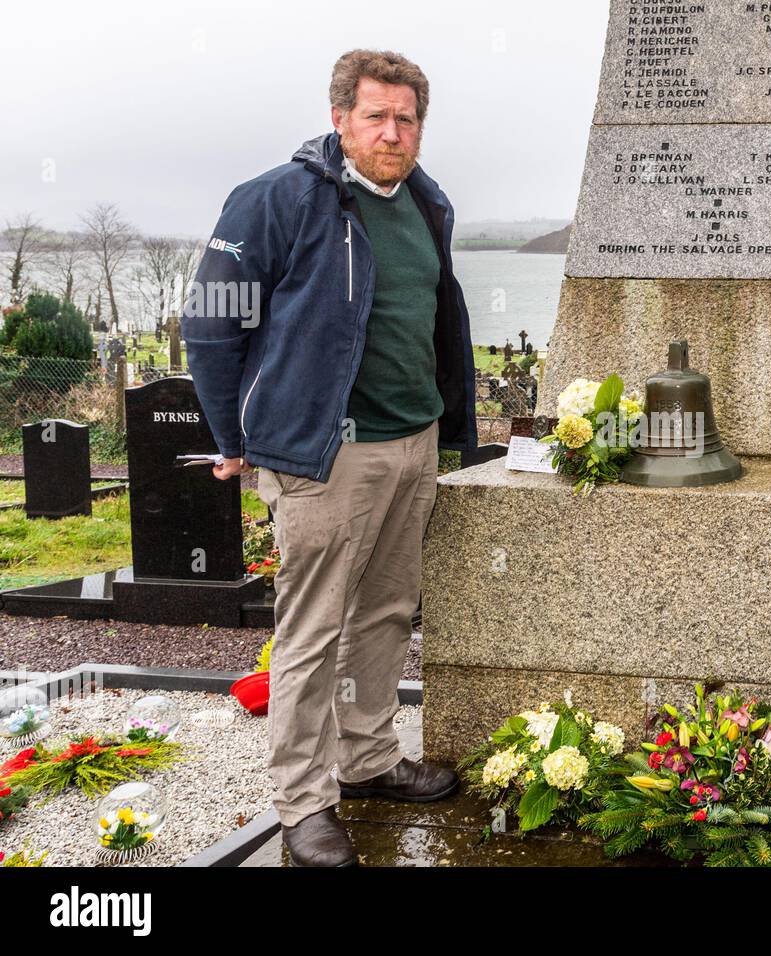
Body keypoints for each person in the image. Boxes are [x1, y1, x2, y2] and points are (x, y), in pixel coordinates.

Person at [182, 48, 478, 866]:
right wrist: (234, 442)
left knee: (386, 614)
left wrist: (448, 429)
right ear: (341, 116)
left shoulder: (425, 199)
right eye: (376, 115)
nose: (392, 131)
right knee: (311, 631)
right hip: (323, 457)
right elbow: (210, 324)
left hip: (412, 445)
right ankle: (304, 804)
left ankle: (371, 760)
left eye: (406, 117)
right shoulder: (276, 199)